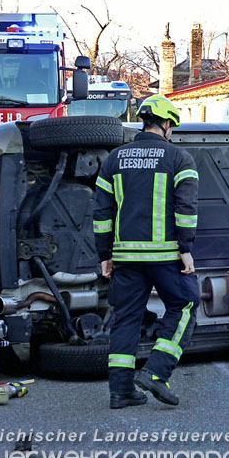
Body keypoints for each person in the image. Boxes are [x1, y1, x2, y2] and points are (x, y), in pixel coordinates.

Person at [93, 94, 200, 409]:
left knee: (126, 318)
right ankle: (156, 372)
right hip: (166, 256)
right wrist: (186, 248)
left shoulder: (114, 159)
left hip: (125, 257)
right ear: (167, 124)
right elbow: (187, 209)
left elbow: (101, 213)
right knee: (184, 307)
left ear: (143, 122)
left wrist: (104, 255)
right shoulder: (180, 158)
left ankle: (121, 391)